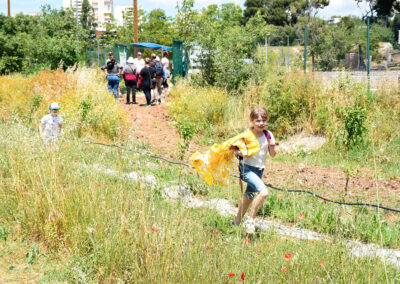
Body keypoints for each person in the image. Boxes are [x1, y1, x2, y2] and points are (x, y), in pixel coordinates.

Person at [229, 106, 276, 233]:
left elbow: (272, 155)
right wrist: (239, 152)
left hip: (259, 170)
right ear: (252, 121)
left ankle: (236, 221)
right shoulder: (247, 135)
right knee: (264, 192)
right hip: (247, 169)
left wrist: (272, 146)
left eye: (264, 120)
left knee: (249, 196)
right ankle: (250, 220)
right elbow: (234, 148)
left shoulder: (268, 135)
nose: (261, 123)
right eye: (258, 121)